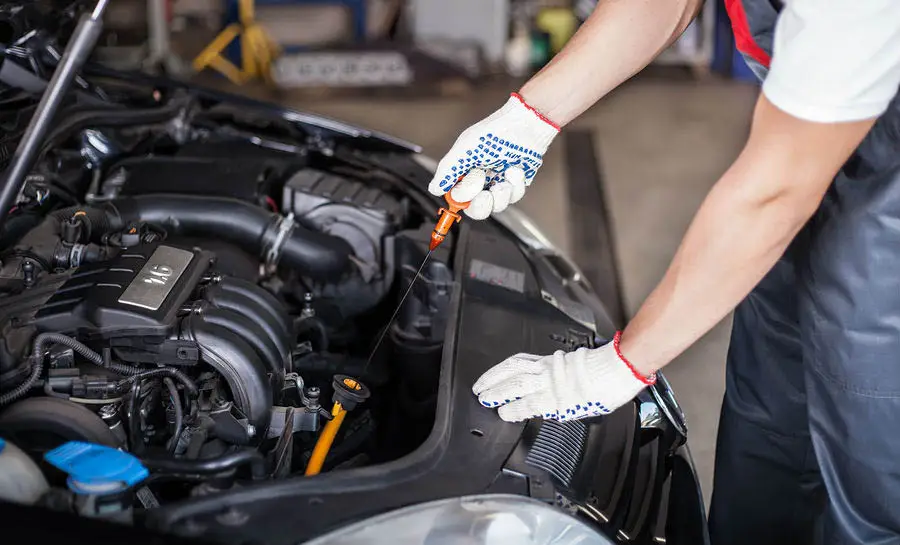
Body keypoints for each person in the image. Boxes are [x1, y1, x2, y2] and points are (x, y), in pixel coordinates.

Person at [427, 1, 900, 544]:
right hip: (812, 142)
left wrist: (620, 366)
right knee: (769, 430)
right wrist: (530, 117)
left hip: (886, 207)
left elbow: (775, 193)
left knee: (875, 479)